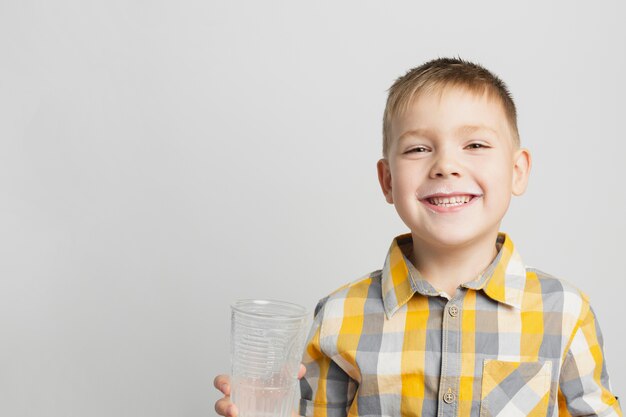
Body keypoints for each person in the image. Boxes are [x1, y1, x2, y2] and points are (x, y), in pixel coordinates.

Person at [213, 57, 622, 417]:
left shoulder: (564, 312)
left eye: (475, 144)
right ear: (387, 181)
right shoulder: (339, 316)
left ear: (518, 171)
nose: (446, 165)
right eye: (418, 149)